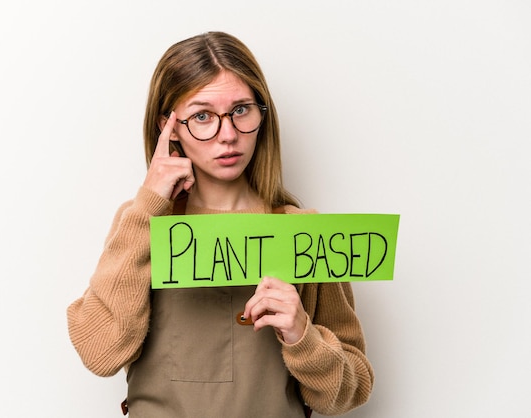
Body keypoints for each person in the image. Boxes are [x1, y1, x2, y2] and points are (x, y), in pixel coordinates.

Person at [67, 31, 374, 417]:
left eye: (241, 110)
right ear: (170, 127)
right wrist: (150, 203)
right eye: (202, 116)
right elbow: (100, 352)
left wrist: (303, 336)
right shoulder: (141, 222)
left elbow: (351, 390)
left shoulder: (304, 234)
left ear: (263, 115)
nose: (228, 135)